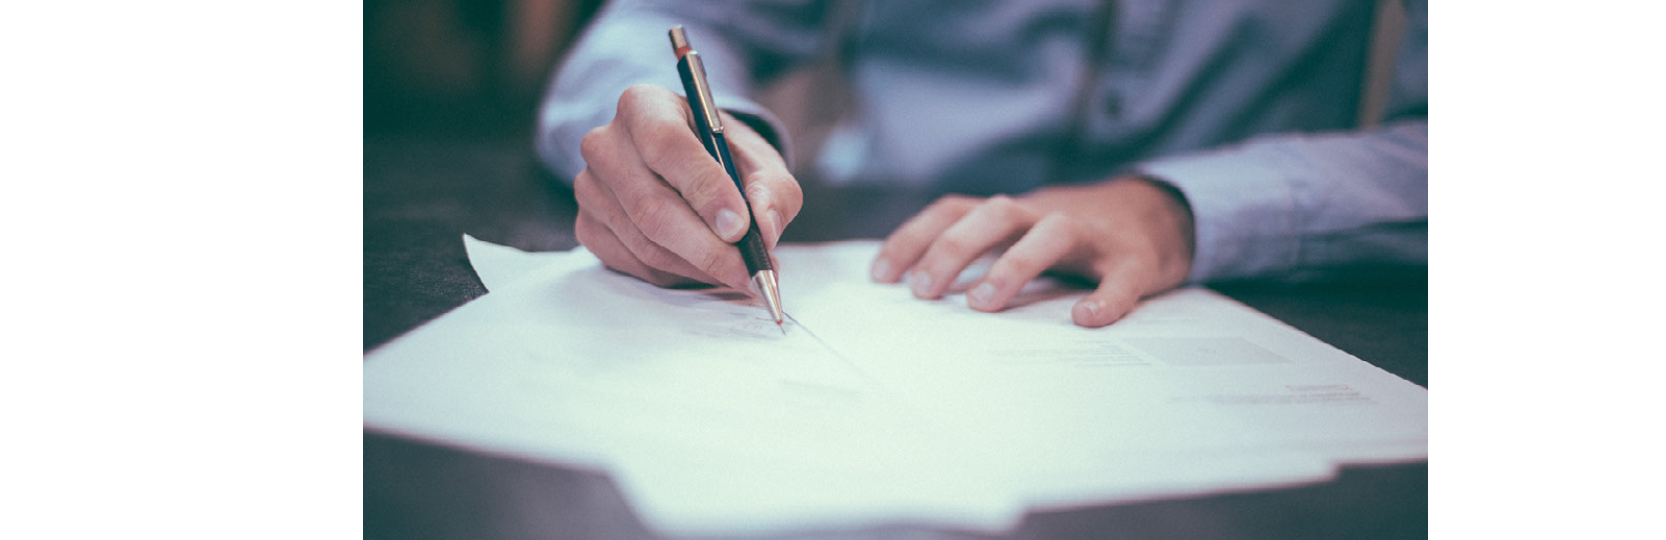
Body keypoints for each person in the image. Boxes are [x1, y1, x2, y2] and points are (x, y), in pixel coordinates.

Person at [535, 0, 1427, 327]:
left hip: (1256, 289)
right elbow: (666, 21)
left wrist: (1179, 208)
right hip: (884, 255)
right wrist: (685, 137)